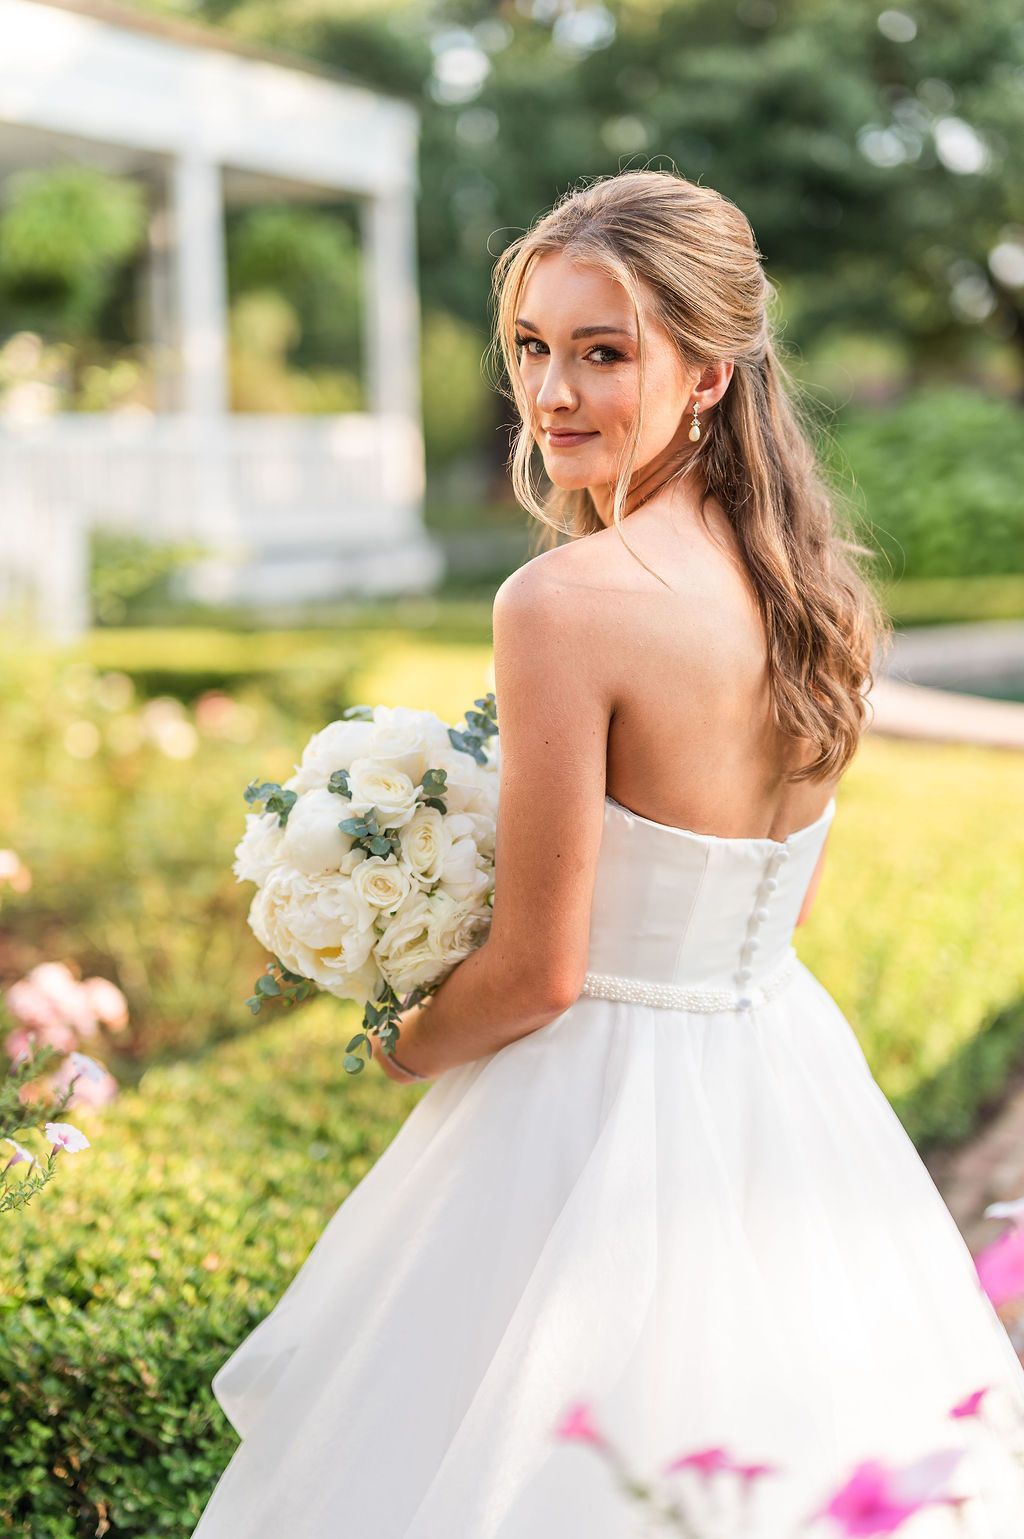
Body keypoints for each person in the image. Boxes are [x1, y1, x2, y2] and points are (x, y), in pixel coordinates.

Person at [190, 169, 1024, 1538]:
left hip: (589, 1118)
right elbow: (783, 903)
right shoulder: (811, 591)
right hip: (783, 1071)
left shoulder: (564, 605)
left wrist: (399, 1037)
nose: (553, 393)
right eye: (532, 347)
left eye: (602, 351)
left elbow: (540, 973)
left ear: (706, 375)